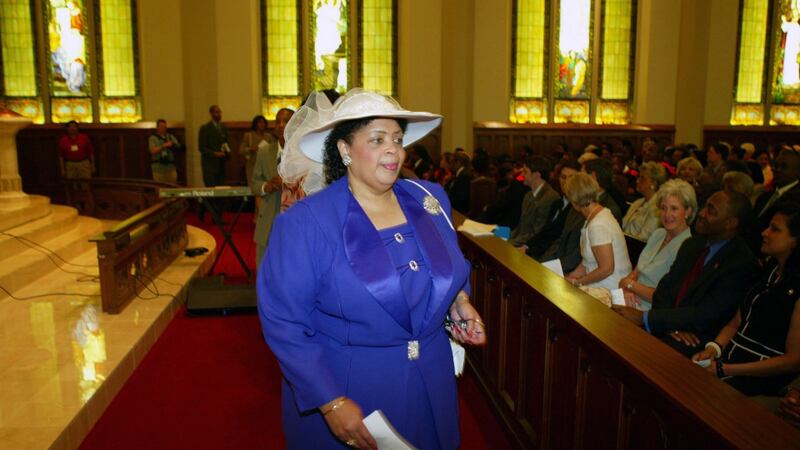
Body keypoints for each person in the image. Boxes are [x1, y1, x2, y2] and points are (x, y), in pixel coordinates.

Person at [258, 89, 486, 450]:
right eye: (377, 139)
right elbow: (284, 321)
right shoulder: (306, 222)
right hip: (354, 390)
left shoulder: (430, 199)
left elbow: (448, 267)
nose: (393, 149)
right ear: (345, 150)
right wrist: (329, 401)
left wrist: (459, 303)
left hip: (432, 379)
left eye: (397, 138)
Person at [613, 190, 758, 357]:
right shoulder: (693, 245)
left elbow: (707, 314)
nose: (702, 213)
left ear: (730, 223)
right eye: (705, 206)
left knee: (648, 350)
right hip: (670, 323)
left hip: (700, 337)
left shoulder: (741, 263)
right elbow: (664, 291)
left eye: (711, 210)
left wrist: (647, 318)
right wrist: (668, 325)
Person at [691, 203, 800, 397]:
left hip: (760, 379)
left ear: (795, 241)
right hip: (731, 362)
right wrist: (714, 348)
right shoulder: (768, 271)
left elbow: (793, 361)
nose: (764, 233)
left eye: (775, 229)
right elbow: (736, 323)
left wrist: (728, 370)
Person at [618, 179, 696, 310]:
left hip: (652, 311)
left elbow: (665, 297)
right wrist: (626, 290)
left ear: (688, 212)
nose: (667, 215)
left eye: (674, 209)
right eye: (663, 208)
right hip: (630, 299)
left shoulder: (688, 246)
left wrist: (630, 285)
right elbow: (636, 272)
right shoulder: (658, 234)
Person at [564, 172, 632, 291]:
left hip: (610, 288)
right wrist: (570, 276)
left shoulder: (598, 225)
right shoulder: (596, 216)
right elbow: (587, 263)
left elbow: (607, 269)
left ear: (574, 201)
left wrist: (577, 282)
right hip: (600, 283)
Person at [529, 160, 584, 273]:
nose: (567, 182)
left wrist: (538, 260)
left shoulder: (579, 210)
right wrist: (527, 247)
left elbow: (561, 242)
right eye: (563, 177)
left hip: (561, 263)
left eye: (571, 177)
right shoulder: (557, 203)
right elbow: (545, 231)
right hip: (545, 255)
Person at [509, 156, 559, 247]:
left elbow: (537, 233)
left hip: (530, 247)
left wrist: (510, 243)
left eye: (525, 172)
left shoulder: (549, 198)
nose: (522, 175)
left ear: (537, 175)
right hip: (520, 242)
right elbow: (521, 228)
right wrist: (506, 239)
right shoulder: (528, 195)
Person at [250, 124, 280, 268]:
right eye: (278, 121)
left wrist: (290, 184)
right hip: (268, 216)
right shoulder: (264, 151)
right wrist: (265, 186)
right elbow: (255, 183)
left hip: (296, 218)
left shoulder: (303, 151)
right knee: (264, 268)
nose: (281, 124)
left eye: (286, 120)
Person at [622, 161, 667, 240]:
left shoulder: (657, 208)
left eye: (642, 178)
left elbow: (644, 239)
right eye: (638, 177)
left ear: (653, 183)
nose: (637, 181)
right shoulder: (638, 202)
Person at [198, 104, 229, 187]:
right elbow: (202, 147)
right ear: (211, 114)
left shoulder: (223, 127)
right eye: (216, 112)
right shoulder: (205, 128)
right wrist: (215, 153)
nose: (218, 114)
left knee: (221, 188)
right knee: (211, 188)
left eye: (219, 112)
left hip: (221, 164)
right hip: (209, 165)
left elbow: (226, 143)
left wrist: (227, 152)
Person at [240, 115, 271, 196]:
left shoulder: (268, 137)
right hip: (252, 165)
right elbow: (241, 150)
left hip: (266, 165)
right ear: (255, 124)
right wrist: (251, 149)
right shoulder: (249, 135)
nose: (262, 124)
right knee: (254, 186)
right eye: (259, 122)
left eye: (263, 122)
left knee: (265, 186)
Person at [148, 119, 181, 184]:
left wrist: (174, 145)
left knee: (172, 187)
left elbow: (178, 146)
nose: (163, 128)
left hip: (170, 167)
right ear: (157, 127)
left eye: (164, 127)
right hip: (158, 168)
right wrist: (164, 145)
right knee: (160, 188)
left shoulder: (170, 136)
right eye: (161, 126)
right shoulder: (153, 138)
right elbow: (152, 151)